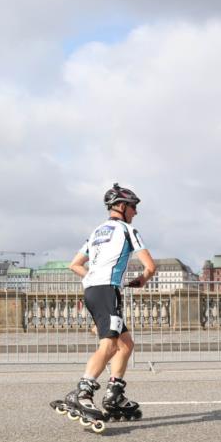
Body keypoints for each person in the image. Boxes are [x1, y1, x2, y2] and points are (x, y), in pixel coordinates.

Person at [63, 183, 156, 427]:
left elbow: (74, 264)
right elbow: (151, 266)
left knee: (126, 344)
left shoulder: (96, 232)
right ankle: (82, 392)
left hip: (92, 290)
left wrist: (93, 279)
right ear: (123, 207)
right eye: (133, 207)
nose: (136, 212)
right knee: (110, 344)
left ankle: (114, 393)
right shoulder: (128, 230)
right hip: (107, 291)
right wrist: (142, 280)